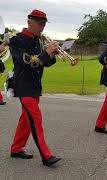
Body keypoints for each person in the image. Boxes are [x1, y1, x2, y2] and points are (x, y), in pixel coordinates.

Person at [9, 9, 61, 167]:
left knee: (26, 119)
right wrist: (46, 52)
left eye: (44, 24)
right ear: (29, 22)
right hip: (23, 85)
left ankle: (16, 149)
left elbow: (45, 62)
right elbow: (27, 62)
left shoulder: (39, 40)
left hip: (34, 86)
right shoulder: (17, 40)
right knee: (35, 118)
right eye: (40, 23)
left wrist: (52, 54)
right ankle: (46, 156)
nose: (42, 27)